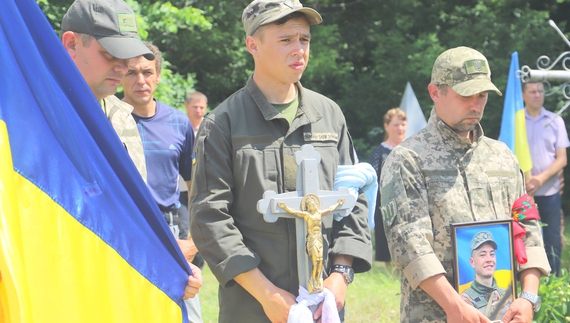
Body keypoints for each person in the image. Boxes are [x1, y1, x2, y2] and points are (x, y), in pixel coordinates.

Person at [189, 0, 372, 321]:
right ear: (252, 45)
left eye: (304, 39)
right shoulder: (224, 123)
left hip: (323, 304)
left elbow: (352, 200)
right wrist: (267, 294)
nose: (299, 49)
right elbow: (209, 218)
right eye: (285, 40)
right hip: (253, 307)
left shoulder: (329, 115)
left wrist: (341, 273)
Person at [380, 46, 551, 323]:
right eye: (465, 95)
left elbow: (528, 229)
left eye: (482, 95)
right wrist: (454, 307)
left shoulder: (504, 157)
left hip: (505, 314)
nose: (476, 104)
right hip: (438, 316)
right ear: (435, 92)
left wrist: (529, 298)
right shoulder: (408, 159)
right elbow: (410, 246)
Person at [60, 0, 201, 301]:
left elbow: (132, 209)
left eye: (125, 56)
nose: (122, 68)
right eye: (110, 55)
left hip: (118, 278)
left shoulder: (122, 116)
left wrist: (168, 260)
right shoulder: (33, 109)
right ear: (72, 44)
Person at [121, 41, 202, 322]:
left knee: (183, 313)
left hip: (169, 232)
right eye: (131, 73)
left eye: (146, 72)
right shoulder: (106, 119)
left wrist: (192, 243)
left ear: (158, 74)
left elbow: (199, 190)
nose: (140, 80)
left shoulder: (179, 123)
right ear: (119, 75)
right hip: (122, 231)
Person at [523, 81, 570, 276]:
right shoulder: (515, 121)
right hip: (523, 193)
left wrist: (540, 179)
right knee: (524, 239)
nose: (537, 94)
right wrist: (525, 181)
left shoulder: (555, 120)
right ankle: (527, 280)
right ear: (524, 95)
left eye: (541, 91)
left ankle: (553, 279)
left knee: (551, 239)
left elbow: (562, 159)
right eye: (533, 91)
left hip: (549, 192)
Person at [369, 108, 407, 268]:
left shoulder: (411, 149)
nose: (400, 128)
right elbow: (374, 180)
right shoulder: (378, 152)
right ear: (386, 126)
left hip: (409, 201)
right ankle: (389, 271)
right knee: (386, 239)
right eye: (396, 124)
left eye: (403, 124)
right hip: (385, 203)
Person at [460, 231, 508, 319]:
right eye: (482, 255)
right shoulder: (464, 301)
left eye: (492, 254)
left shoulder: (507, 295)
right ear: (472, 262)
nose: (489, 259)